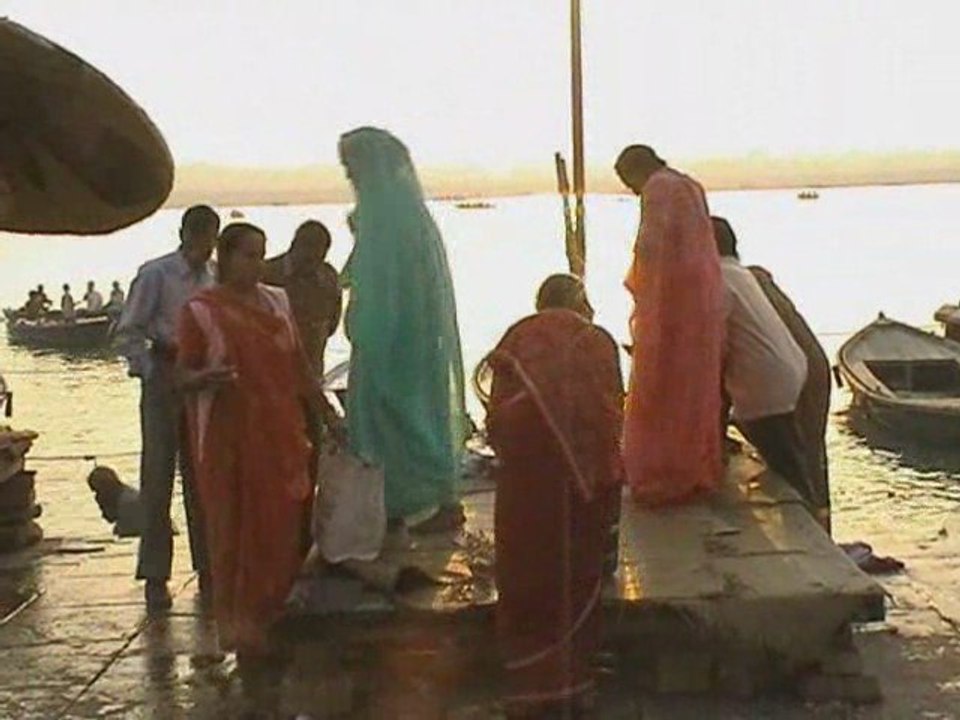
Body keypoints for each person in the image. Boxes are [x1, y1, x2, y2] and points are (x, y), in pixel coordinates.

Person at [177, 222, 330, 709]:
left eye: (260, 256)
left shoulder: (277, 302)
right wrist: (208, 376)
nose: (255, 265)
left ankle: (272, 615)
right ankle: (244, 631)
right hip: (228, 439)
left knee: (283, 524)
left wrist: (327, 414)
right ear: (224, 257)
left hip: (280, 431)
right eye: (247, 256)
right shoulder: (200, 311)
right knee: (236, 529)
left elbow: (299, 365)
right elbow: (179, 375)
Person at [477, 283, 624, 719]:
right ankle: (574, 685)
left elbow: (497, 415)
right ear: (579, 304)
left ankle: (526, 690)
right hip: (582, 481)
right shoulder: (595, 340)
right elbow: (610, 412)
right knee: (574, 576)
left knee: (527, 574)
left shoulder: (519, 336)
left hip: (526, 480)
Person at [338, 126, 469, 531]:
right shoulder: (408, 213)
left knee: (400, 421)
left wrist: (363, 329)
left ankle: (427, 501)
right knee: (417, 416)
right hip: (416, 338)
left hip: (392, 338)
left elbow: (377, 286)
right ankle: (412, 503)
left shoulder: (385, 216)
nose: (350, 177)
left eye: (352, 168)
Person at [113, 204, 220, 611]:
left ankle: (208, 565)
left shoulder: (213, 278)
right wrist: (149, 370)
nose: (202, 247)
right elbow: (128, 330)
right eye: (197, 237)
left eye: (209, 238)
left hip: (201, 377)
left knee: (202, 475)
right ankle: (155, 573)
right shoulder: (156, 274)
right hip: (164, 372)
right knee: (157, 474)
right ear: (184, 234)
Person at [615, 144, 724, 505]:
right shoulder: (690, 186)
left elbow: (651, 250)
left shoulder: (658, 189)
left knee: (660, 388)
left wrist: (642, 292)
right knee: (694, 389)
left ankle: (662, 472)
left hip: (672, 307)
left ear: (637, 170)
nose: (632, 192)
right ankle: (693, 469)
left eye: (629, 183)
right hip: (702, 307)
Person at [713, 217, 832, 531]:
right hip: (802, 367)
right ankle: (822, 531)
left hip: (789, 378)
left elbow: (716, 353)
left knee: (798, 468)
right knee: (809, 460)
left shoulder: (722, 280)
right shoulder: (746, 277)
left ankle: (817, 539)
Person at [262, 220, 342, 376]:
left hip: (312, 371)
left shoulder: (328, 277)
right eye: (308, 251)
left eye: (319, 256)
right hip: (272, 372)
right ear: (294, 245)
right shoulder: (267, 274)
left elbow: (332, 322)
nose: (312, 259)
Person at [87, 465, 143, 537]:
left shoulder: (128, 507)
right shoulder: (128, 499)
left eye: (97, 492)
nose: (96, 498)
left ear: (106, 491)